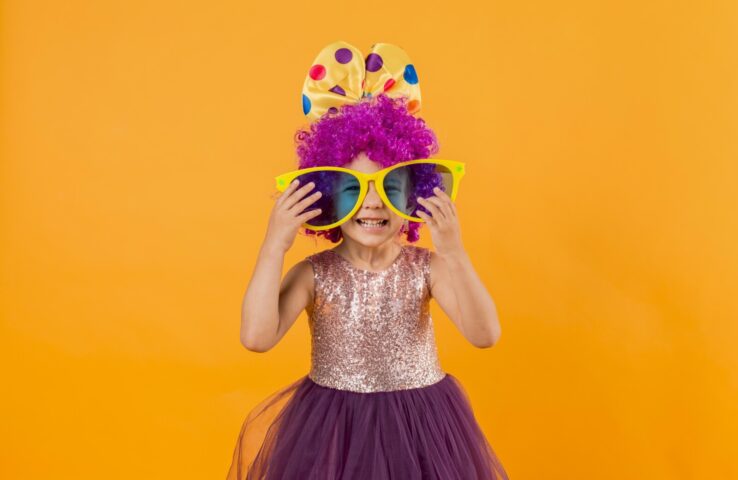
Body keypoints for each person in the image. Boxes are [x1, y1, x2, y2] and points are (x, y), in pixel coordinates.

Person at [227, 40, 510, 480]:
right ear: (324, 195)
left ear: (414, 194)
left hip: (420, 429)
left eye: (389, 187)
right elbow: (256, 337)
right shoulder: (314, 275)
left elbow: (485, 334)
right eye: (353, 188)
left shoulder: (427, 269)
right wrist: (274, 245)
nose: (373, 203)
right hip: (334, 429)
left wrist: (454, 252)